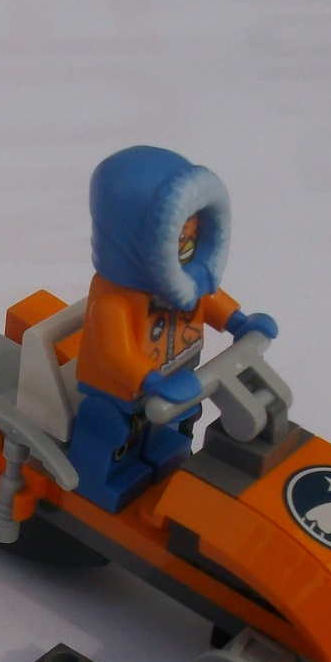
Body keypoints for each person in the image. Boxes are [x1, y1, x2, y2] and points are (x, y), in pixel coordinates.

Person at [67, 146, 278, 511]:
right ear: (137, 239)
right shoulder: (114, 301)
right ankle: (94, 483)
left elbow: (207, 300)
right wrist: (152, 382)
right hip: (120, 392)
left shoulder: (184, 283)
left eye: (193, 229)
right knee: (110, 430)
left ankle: (160, 459)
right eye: (179, 235)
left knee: (167, 427)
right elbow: (115, 354)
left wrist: (238, 321)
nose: (189, 237)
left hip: (176, 381)